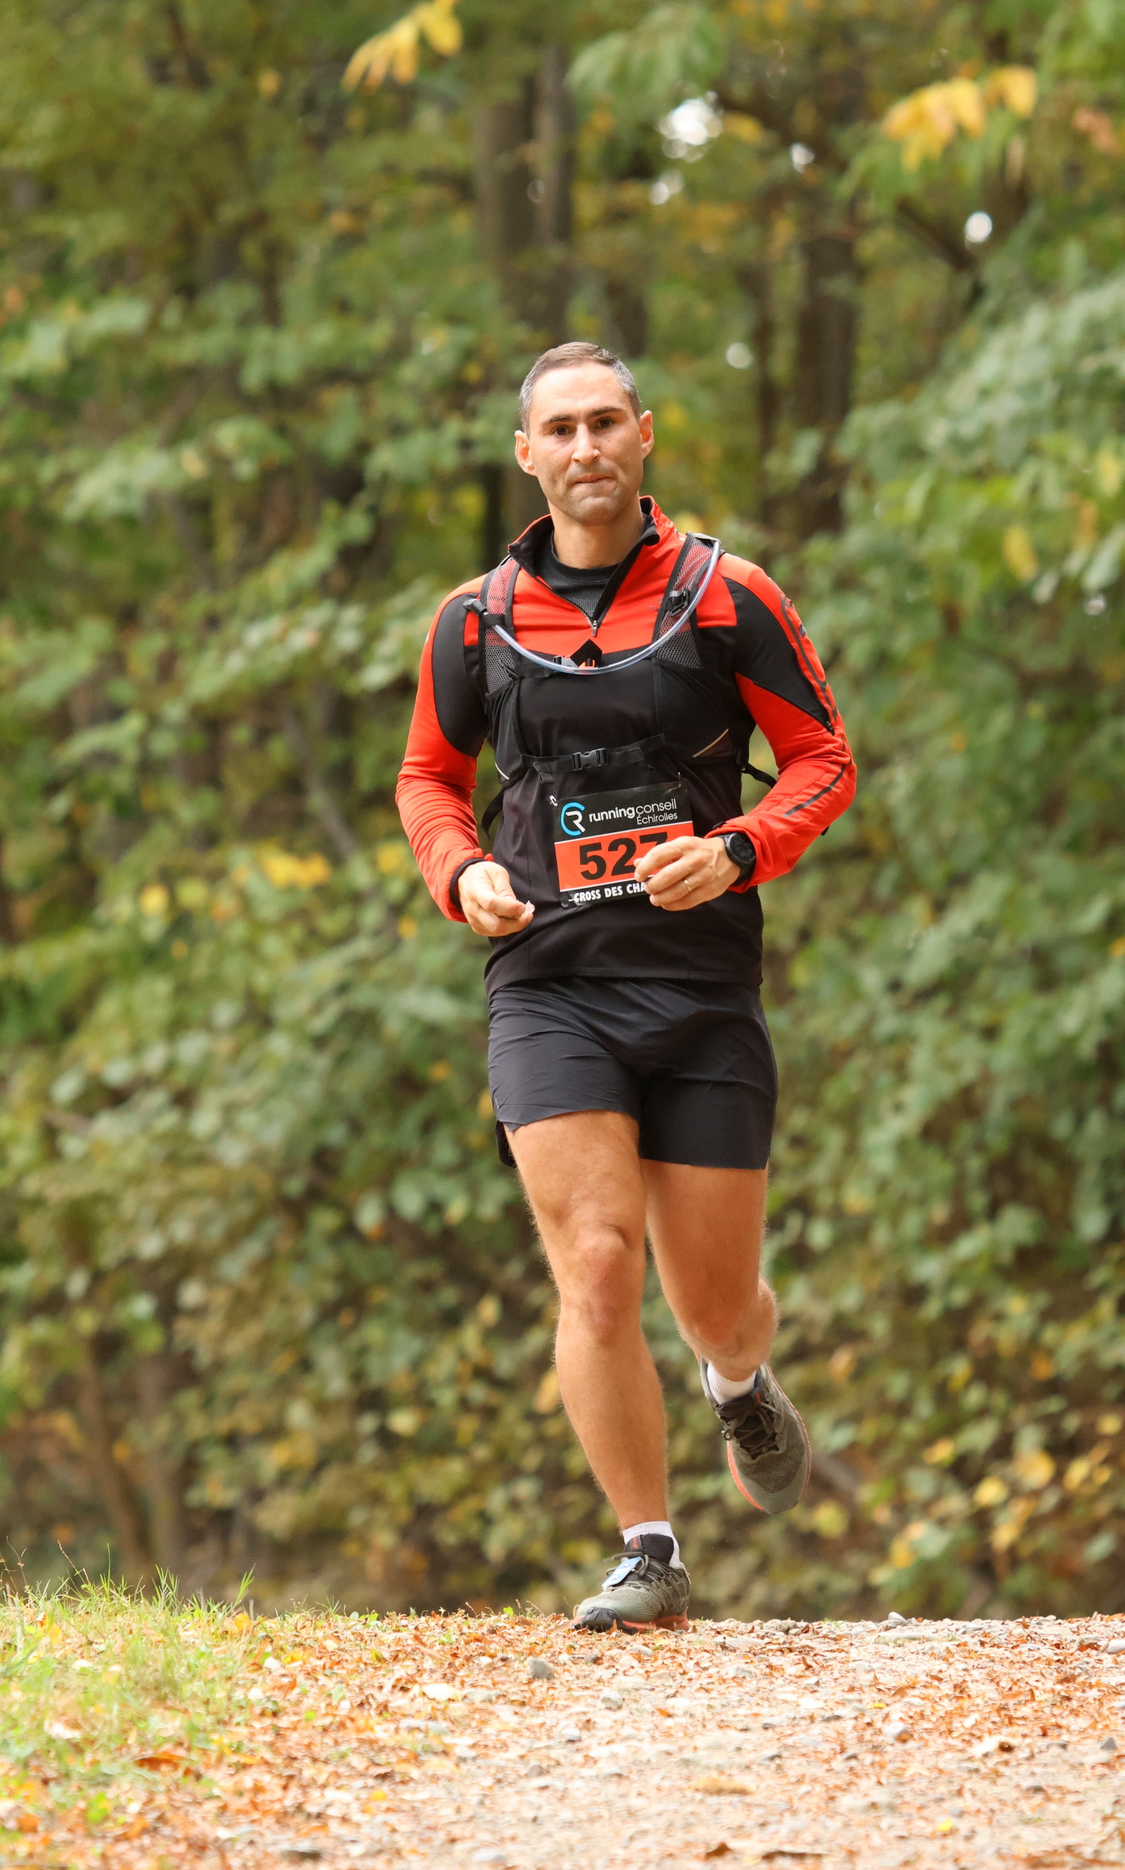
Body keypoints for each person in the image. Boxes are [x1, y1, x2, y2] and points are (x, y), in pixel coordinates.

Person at [396, 342, 856, 1631]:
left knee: (715, 1306)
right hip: (549, 984)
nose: (586, 446)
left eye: (606, 422)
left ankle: (739, 1382)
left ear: (644, 435)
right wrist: (460, 871)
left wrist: (739, 850)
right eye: (561, 429)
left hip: (700, 987)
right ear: (526, 455)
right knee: (596, 1265)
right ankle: (649, 1551)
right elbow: (428, 776)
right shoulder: (475, 619)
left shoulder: (727, 595)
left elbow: (822, 760)